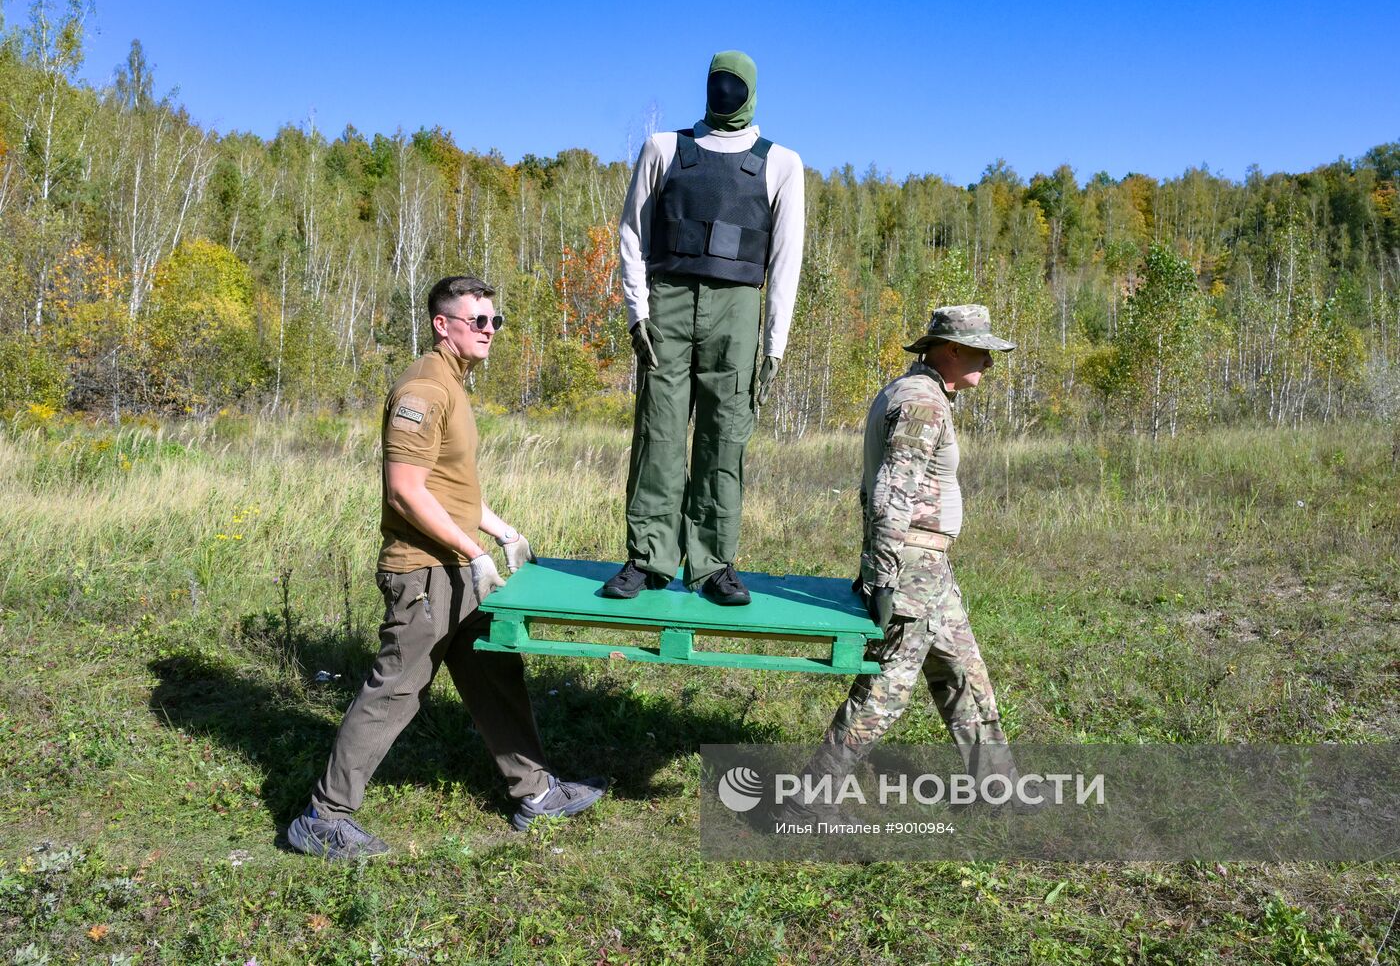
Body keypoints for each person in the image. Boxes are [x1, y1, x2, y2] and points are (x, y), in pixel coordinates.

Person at [287, 275, 606, 859]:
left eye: (495, 321)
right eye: (477, 321)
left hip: (457, 565)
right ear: (443, 325)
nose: (490, 331)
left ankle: (535, 793)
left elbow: (449, 488)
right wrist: (475, 552)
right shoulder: (424, 390)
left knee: (495, 674)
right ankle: (323, 817)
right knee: (396, 691)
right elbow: (406, 491)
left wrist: (502, 531)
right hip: (425, 572)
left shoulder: (453, 386)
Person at [604, 50, 805, 606]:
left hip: (738, 309)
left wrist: (775, 343)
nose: (725, 91)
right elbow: (633, 233)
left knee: (725, 439)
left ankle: (714, 563)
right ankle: (648, 557)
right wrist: (637, 311)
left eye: (735, 84)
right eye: (717, 81)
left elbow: (786, 259)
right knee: (658, 435)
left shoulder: (781, 162)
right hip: (666, 302)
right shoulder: (664, 148)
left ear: (752, 90)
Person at [798, 305, 1019, 808]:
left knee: (962, 671)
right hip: (911, 567)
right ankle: (810, 799)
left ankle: (998, 788)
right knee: (885, 690)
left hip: (927, 566)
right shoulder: (923, 404)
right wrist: (883, 576)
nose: (989, 362)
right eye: (982, 351)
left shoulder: (918, 394)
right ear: (951, 349)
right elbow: (891, 492)